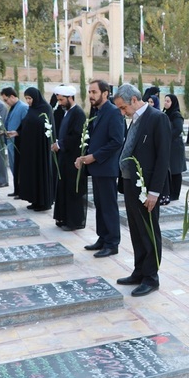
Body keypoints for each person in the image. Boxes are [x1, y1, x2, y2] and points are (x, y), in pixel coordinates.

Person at [114, 84, 171, 297]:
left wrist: (154, 192)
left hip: (147, 188)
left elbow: (163, 157)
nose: (122, 113)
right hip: (131, 183)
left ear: (134, 100)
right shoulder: (135, 118)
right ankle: (139, 271)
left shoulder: (157, 118)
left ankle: (151, 277)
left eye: (123, 108)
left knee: (148, 231)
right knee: (136, 230)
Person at [76, 80, 125, 258]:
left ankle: (112, 243)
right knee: (100, 204)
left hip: (106, 168)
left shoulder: (113, 112)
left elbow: (117, 141)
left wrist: (95, 156)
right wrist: (83, 156)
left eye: (94, 92)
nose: (91, 95)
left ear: (105, 93)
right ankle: (103, 238)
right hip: (96, 167)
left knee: (108, 206)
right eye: (89, 92)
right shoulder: (96, 111)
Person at [51, 85, 87, 231]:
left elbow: (76, 136)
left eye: (61, 100)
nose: (59, 103)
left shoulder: (78, 113)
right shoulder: (67, 112)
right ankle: (63, 218)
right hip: (64, 158)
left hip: (73, 159)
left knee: (72, 190)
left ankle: (73, 222)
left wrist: (60, 145)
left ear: (70, 98)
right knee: (63, 188)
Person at [14, 87, 56, 212]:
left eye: (30, 98)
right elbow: (26, 125)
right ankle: (34, 200)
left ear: (36, 97)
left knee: (41, 173)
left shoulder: (46, 108)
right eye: (26, 98)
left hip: (41, 149)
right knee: (32, 174)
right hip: (31, 149)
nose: (28, 101)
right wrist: (17, 132)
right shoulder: (31, 109)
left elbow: (45, 126)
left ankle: (43, 202)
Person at [0, 87, 28, 197]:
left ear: (12, 96)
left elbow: (25, 126)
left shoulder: (23, 107)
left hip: (18, 143)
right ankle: (17, 190)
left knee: (19, 169)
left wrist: (17, 133)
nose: (5, 102)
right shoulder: (12, 108)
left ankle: (21, 191)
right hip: (11, 142)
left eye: (6, 100)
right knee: (13, 167)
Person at [163, 94, 187, 200]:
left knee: (176, 170)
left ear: (173, 103)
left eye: (168, 101)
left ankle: (175, 194)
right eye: (165, 101)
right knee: (169, 169)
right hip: (168, 145)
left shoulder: (176, 115)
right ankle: (169, 192)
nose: (165, 103)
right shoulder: (165, 113)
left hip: (175, 146)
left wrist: (167, 137)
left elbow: (178, 129)